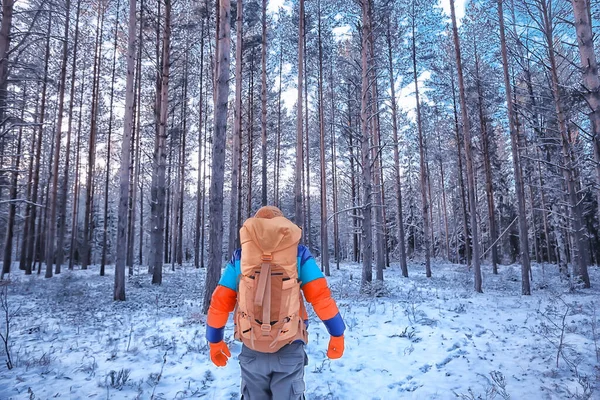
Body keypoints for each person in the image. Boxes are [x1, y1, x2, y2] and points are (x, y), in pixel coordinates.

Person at [206, 206, 345, 400]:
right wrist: (337, 333)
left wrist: (214, 340)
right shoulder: (299, 253)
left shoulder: (240, 257)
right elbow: (320, 296)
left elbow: (220, 302)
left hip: (252, 347)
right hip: (289, 346)